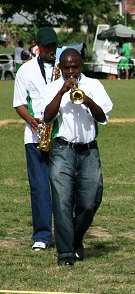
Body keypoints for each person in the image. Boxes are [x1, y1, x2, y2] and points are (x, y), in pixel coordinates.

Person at [41, 48, 113, 265]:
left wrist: (88, 101)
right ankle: (65, 253)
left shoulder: (94, 85)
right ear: (60, 67)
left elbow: (103, 118)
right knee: (62, 200)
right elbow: (47, 116)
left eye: (75, 67)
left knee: (90, 201)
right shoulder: (52, 88)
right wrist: (62, 92)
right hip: (62, 149)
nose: (71, 71)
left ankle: (75, 237)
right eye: (66, 67)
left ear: (82, 65)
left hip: (89, 149)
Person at [12, 27, 59, 252]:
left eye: (54, 46)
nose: (52, 50)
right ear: (38, 46)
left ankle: (65, 233)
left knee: (63, 188)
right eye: (48, 46)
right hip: (35, 136)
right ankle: (42, 235)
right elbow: (19, 103)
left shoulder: (64, 66)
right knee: (40, 187)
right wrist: (31, 120)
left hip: (61, 134)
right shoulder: (26, 70)